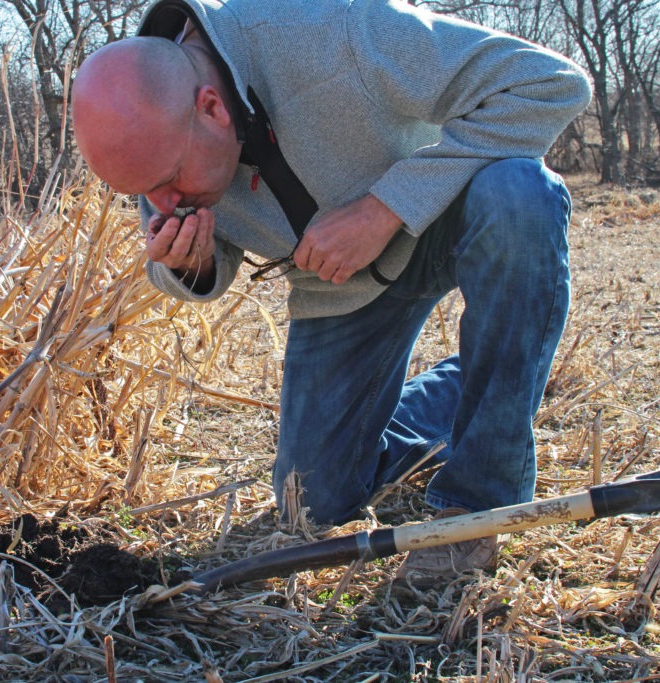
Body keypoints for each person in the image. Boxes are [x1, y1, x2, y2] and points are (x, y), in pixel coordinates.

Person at [71, 0, 592, 586]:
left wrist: (384, 209)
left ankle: (478, 502)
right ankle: (479, 382)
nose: (160, 204)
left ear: (212, 108)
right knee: (314, 503)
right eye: (141, 194)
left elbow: (553, 84)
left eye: (167, 185)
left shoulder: (337, 30)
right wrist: (188, 265)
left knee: (521, 191)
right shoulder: (152, 131)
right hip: (337, 287)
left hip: (446, 218)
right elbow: (202, 262)